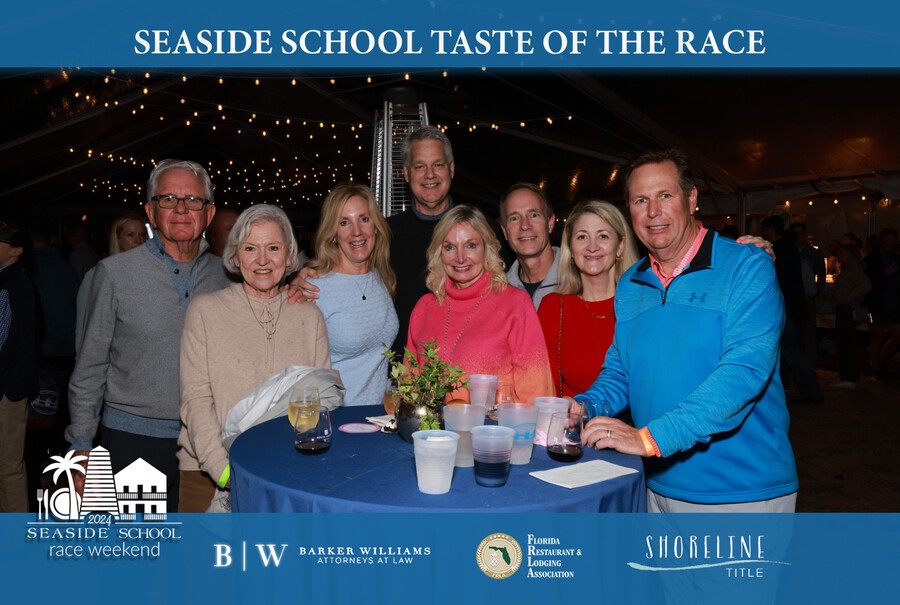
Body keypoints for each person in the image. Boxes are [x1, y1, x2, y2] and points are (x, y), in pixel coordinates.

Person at [573, 149, 798, 513]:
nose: (653, 211)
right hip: (656, 482)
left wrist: (651, 439)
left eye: (665, 195)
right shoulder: (631, 284)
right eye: (640, 200)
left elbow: (743, 373)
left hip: (739, 491)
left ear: (691, 199)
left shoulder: (746, 266)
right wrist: (583, 406)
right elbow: (622, 371)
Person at [66, 159, 231, 512]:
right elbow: (90, 366)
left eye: (193, 200)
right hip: (132, 442)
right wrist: (81, 445)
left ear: (209, 212)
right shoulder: (113, 273)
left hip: (209, 445)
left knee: (200, 544)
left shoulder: (229, 277)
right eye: (168, 199)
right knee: (141, 543)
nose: (181, 209)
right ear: (151, 211)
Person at [178, 205, 331, 511]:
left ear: (289, 255)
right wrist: (225, 471)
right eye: (250, 248)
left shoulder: (309, 316)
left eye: (273, 248)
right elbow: (195, 400)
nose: (262, 260)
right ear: (235, 256)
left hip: (288, 473)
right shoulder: (205, 311)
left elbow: (322, 398)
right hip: (208, 473)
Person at [406, 205, 553, 403]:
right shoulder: (424, 307)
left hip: (495, 423)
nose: (460, 258)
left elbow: (537, 392)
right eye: (449, 247)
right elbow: (409, 387)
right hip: (431, 424)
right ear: (439, 253)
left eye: (471, 245)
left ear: (487, 248)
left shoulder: (515, 304)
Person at [305, 184, 398, 407]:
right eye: (344, 222)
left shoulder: (382, 277)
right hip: (338, 416)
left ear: (375, 226)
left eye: (364, 219)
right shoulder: (314, 288)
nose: (357, 231)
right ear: (333, 233)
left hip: (380, 415)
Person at [537, 201, 639, 397]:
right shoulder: (553, 307)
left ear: (620, 246)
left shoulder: (640, 305)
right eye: (582, 237)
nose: (592, 247)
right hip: (571, 415)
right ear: (570, 248)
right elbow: (545, 386)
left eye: (603, 236)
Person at [761, 215, 824, 404]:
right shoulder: (789, 249)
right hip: (793, 307)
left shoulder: (779, 250)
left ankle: (812, 392)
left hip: (786, 308)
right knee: (793, 351)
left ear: (770, 230)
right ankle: (809, 391)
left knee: (793, 352)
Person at [0, 222, 37, 512]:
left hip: (6, 392)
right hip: (11, 387)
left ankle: (14, 532)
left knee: (8, 468)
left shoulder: (10, 285)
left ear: (16, 251)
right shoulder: (15, 282)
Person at [75, 213, 147, 352]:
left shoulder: (149, 275)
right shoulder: (97, 274)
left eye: (142, 235)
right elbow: (83, 326)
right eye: (130, 235)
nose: (138, 240)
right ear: (117, 238)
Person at [500, 183, 559, 309]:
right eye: (514, 218)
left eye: (534, 215)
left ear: (550, 223)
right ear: (504, 231)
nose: (525, 225)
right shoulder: (499, 291)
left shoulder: (580, 279)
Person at [827, 243, 871, 388]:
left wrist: (848, 297)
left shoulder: (854, 269)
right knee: (844, 342)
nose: (839, 256)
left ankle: (849, 377)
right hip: (844, 307)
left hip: (847, 308)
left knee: (847, 342)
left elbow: (866, 285)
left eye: (842, 253)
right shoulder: (848, 268)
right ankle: (846, 375)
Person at [864, 227, 899, 381]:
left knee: (898, 337)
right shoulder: (871, 260)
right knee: (876, 337)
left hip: (894, 304)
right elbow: (867, 283)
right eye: (889, 241)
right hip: (876, 305)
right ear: (881, 242)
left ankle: (880, 360)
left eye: (894, 241)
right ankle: (877, 368)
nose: (892, 244)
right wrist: (885, 274)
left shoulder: (897, 258)